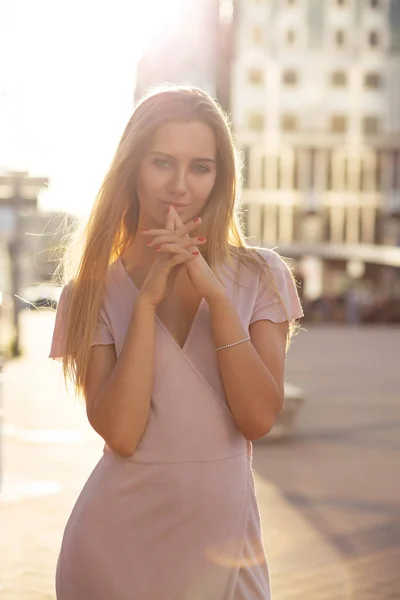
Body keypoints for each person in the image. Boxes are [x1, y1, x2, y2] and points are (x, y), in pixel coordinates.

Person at [49, 84, 304, 600]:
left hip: (224, 553)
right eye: (162, 162)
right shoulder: (90, 292)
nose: (180, 186)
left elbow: (257, 419)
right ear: (133, 169)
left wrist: (216, 296)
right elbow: (121, 434)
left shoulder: (262, 275)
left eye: (200, 167)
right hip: (113, 555)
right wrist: (143, 306)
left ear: (220, 177)